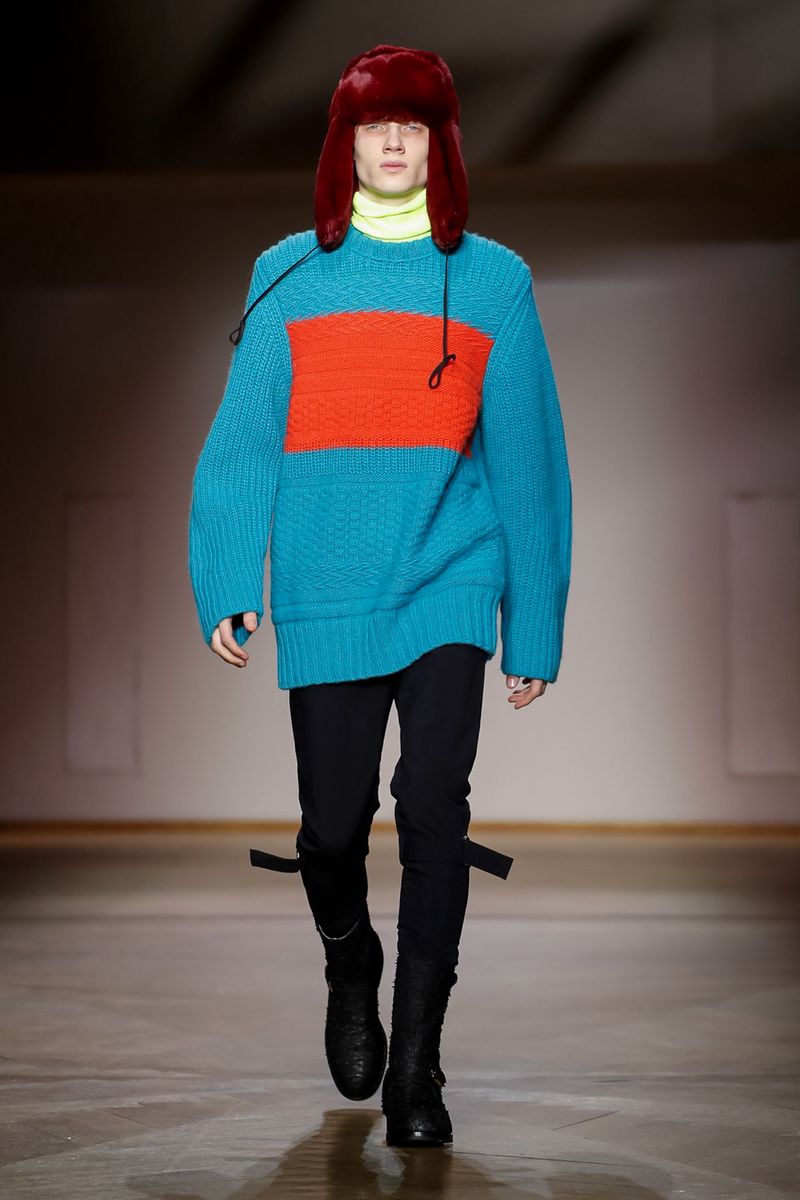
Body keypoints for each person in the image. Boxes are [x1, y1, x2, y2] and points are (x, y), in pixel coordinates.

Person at [188, 44, 572, 1148]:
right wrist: (227, 576)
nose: (394, 140)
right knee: (329, 828)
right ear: (344, 142)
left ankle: (416, 1070)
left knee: (435, 807)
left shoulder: (494, 280)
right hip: (324, 585)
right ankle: (348, 959)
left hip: (450, 574)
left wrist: (533, 621)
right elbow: (242, 442)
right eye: (373, 123)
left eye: (414, 122)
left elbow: (529, 465)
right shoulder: (286, 275)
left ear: (441, 142)